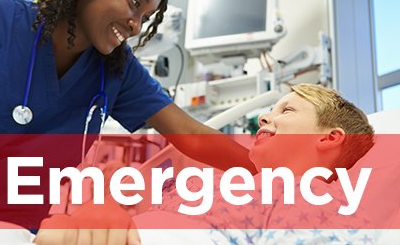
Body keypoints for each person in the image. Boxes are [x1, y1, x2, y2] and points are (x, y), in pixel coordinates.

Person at [0, 0, 255, 241]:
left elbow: (191, 135)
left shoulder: (116, 68)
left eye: (145, 16)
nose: (136, 25)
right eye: (133, 2)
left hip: (29, 233)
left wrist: (277, 172)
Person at [133, 83, 377, 244]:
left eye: (287, 110)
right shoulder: (231, 186)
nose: (263, 118)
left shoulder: (315, 199)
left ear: (329, 138)